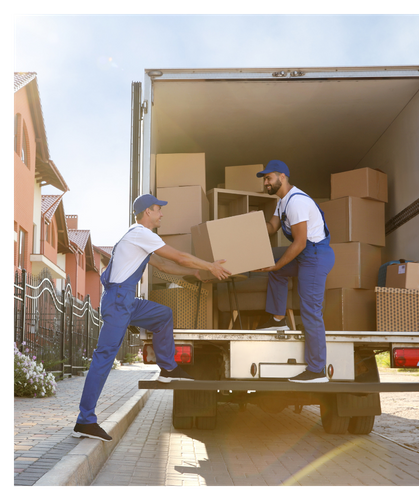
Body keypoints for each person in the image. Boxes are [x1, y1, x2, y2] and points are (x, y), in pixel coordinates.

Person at [73, 193, 231, 441]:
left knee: (162, 315)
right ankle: (85, 420)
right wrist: (209, 265)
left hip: (125, 301)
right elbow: (177, 256)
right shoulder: (140, 233)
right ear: (147, 212)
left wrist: (196, 273)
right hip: (117, 301)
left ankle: (168, 369)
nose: (161, 214)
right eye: (158, 209)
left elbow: (165, 266)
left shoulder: (141, 239)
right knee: (104, 358)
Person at [256, 160, 335, 383]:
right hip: (306, 254)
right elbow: (272, 228)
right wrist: (248, 226)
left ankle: (317, 369)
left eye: (268, 178)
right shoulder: (282, 202)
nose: (265, 182)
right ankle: (278, 318)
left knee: (311, 311)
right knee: (276, 273)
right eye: (264, 179)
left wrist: (278, 263)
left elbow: (299, 243)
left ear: (282, 177)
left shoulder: (296, 202)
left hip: (315, 256)